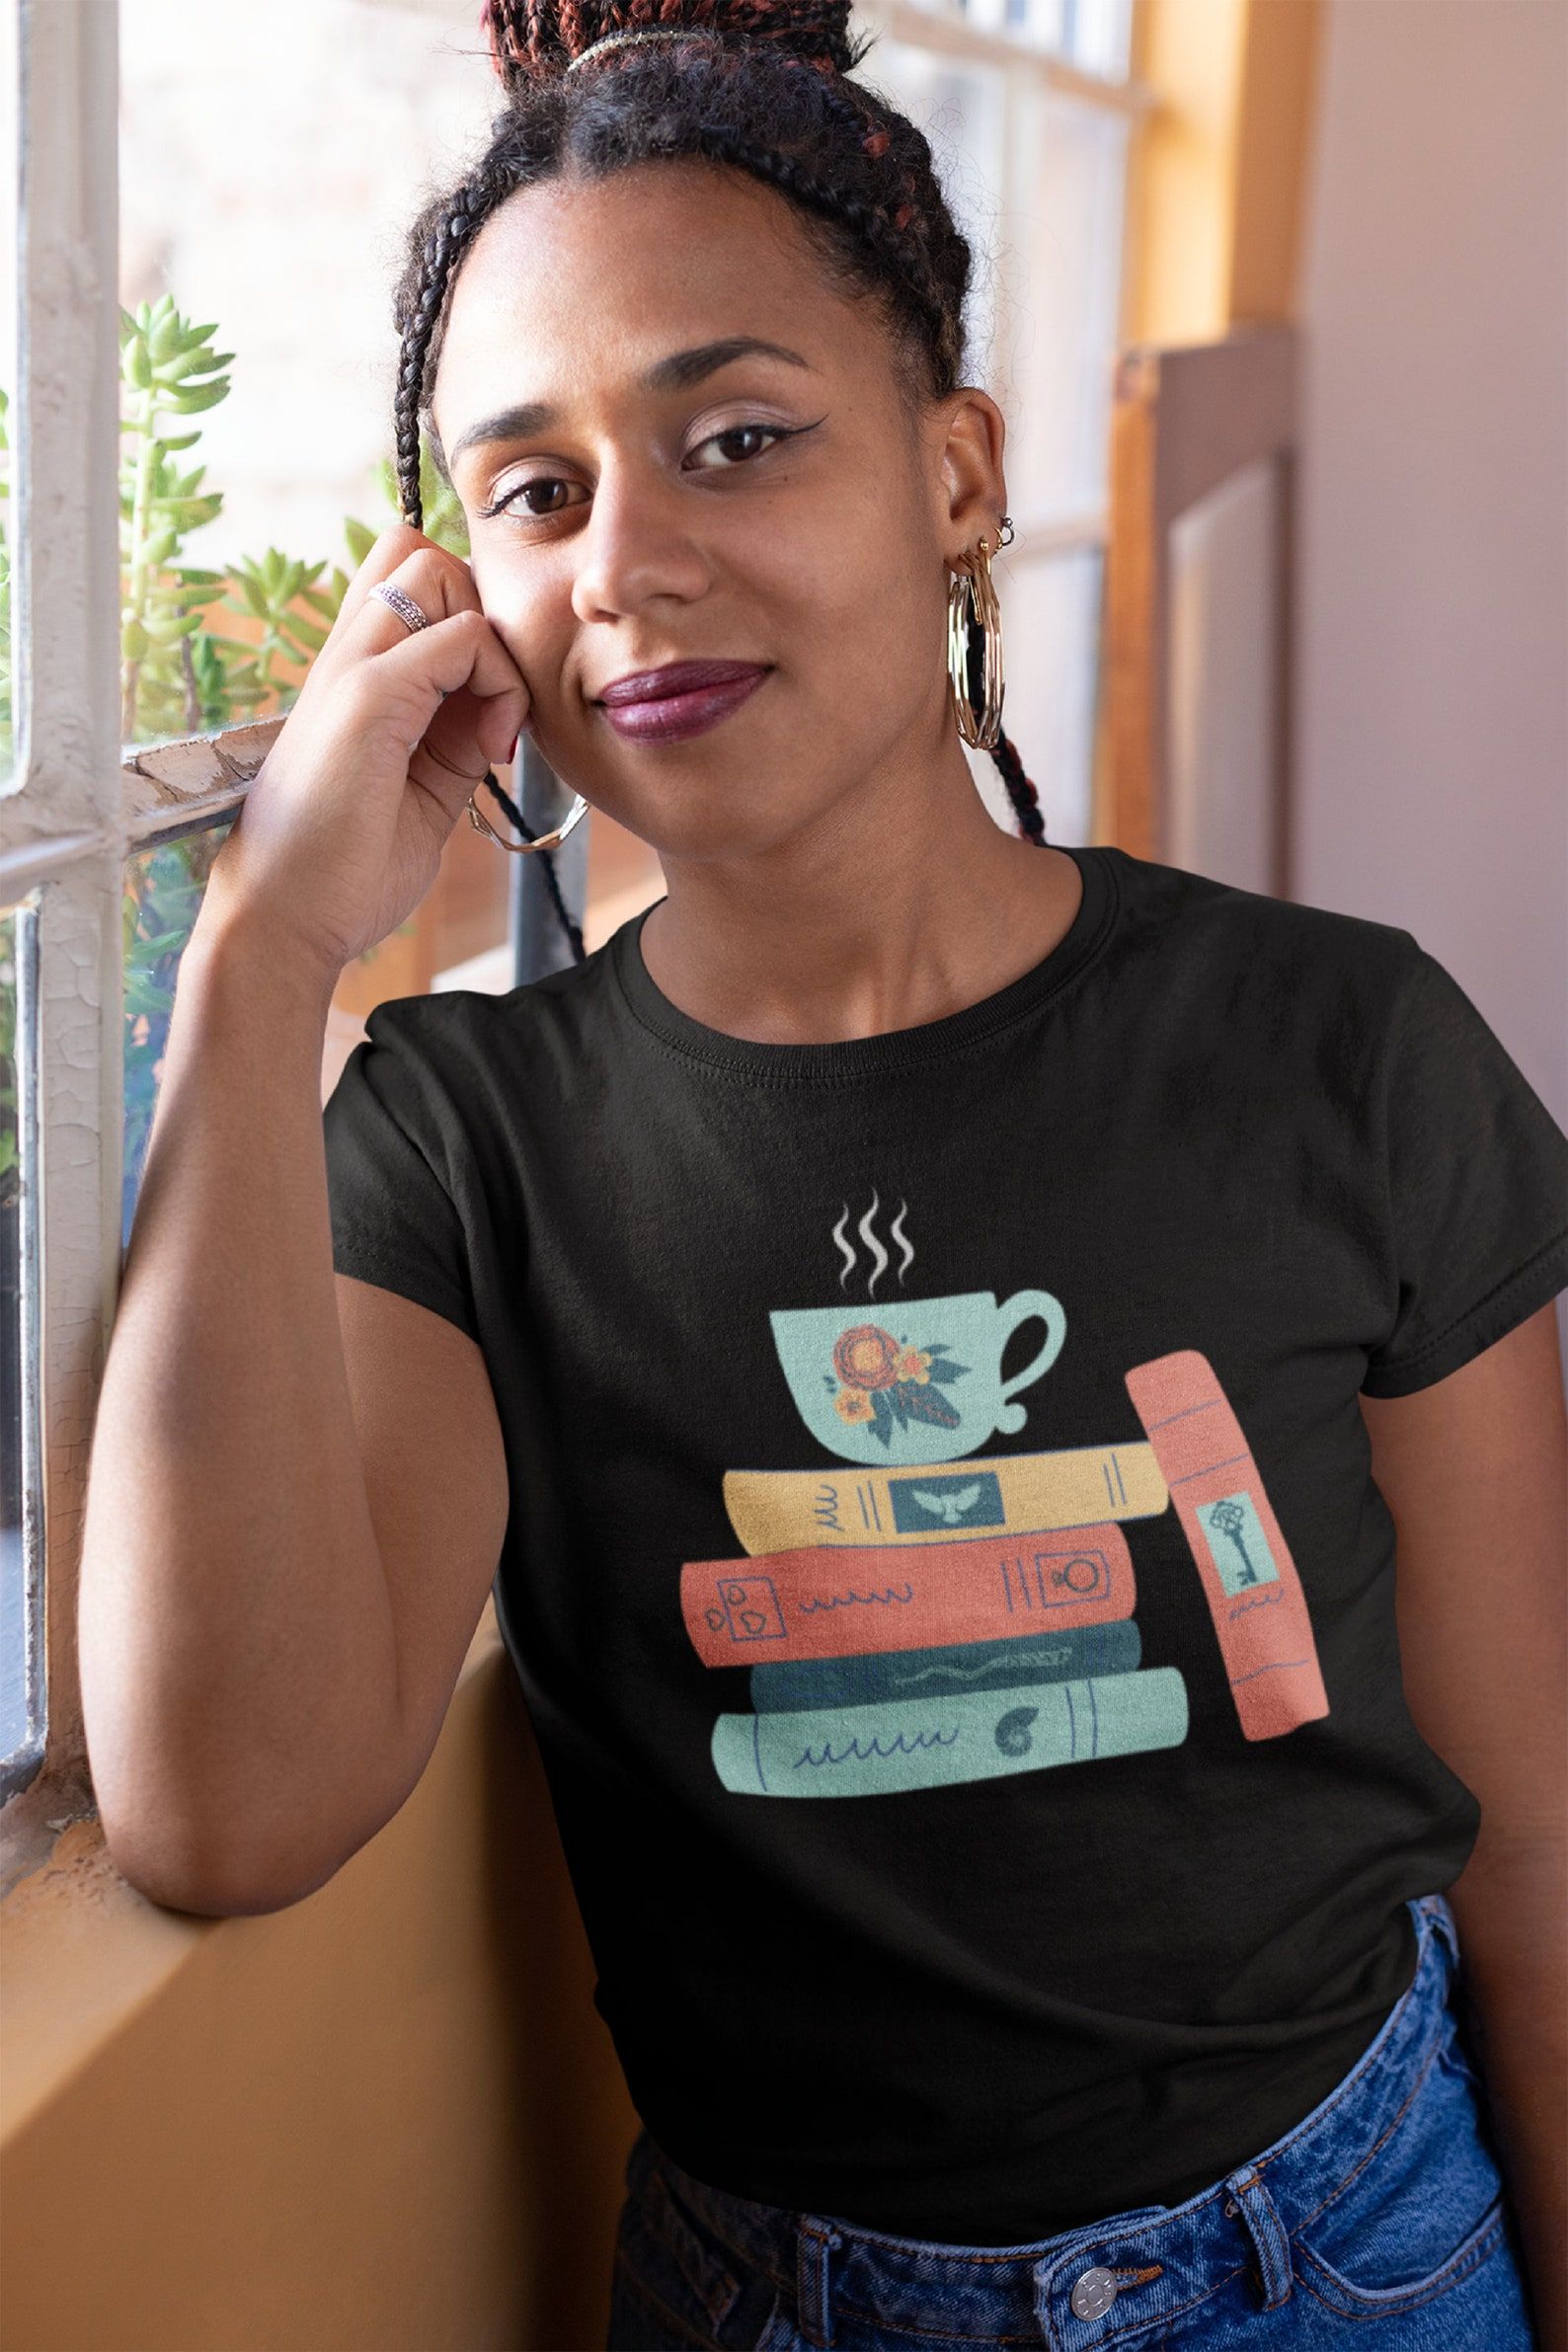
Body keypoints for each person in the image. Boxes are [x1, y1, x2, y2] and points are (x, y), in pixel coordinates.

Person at [78, 1, 1567, 2346]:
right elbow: (223, 1805)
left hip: (1352, 2254)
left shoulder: (1336, 1047)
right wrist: (264, 956)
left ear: (954, 472)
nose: (627, 564)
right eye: (534, 492)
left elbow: (1539, 1845)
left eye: (735, 438)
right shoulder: (462, 1147)